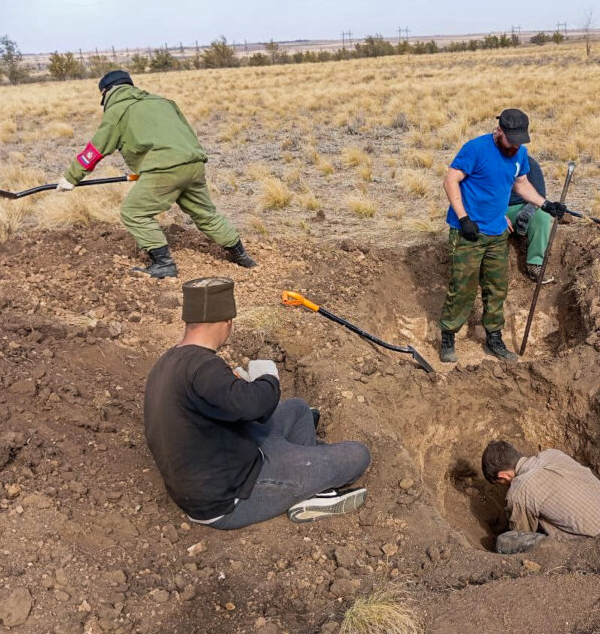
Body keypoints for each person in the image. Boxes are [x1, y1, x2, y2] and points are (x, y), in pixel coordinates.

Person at [143, 276, 370, 529]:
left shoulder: (172, 360)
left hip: (219, 467)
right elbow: (256, 407)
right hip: (229, 497)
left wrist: (242, 386)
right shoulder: (204, 368)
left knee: (297, 409)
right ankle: (309, 489)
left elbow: (226, 402)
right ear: (227, 321)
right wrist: (268, 377)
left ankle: (306, 474)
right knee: (357, 455)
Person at [55, 70, 257, 279]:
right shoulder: (164, 102)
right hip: (193, 163)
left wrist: (71, 178)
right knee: (206, 214)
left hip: (163, 171)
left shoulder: (118, 111)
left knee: (133, 212)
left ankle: (163, 264)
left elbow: (95, 150)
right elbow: (186, 132)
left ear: (106, 92)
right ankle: (242, 256)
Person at [439, 109, 566, 364]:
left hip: (497, 232)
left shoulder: (519, 152)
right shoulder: (475, 149)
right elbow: (450, 180)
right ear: (499, 131)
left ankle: (493, 339)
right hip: (469, 232)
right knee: (462, 288)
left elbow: (521, 185)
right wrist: (464, 219)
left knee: (496, 288)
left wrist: (545, 204)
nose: (515, 144)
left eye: (519, 140)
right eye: (511, 139)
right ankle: (448, 337)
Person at [481, 440, 600, 554]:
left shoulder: (519, 490)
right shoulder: (553, 454)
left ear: (503, 476)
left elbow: (520, 535)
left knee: (503, 542)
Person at [507, 156, 555, 284]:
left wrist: (530, 208)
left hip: (518, 208)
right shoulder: (488, 161)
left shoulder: (529, 163)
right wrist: (497, 214)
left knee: (543, 214)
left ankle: (535, 264)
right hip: (492, 207)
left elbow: (539, 195)